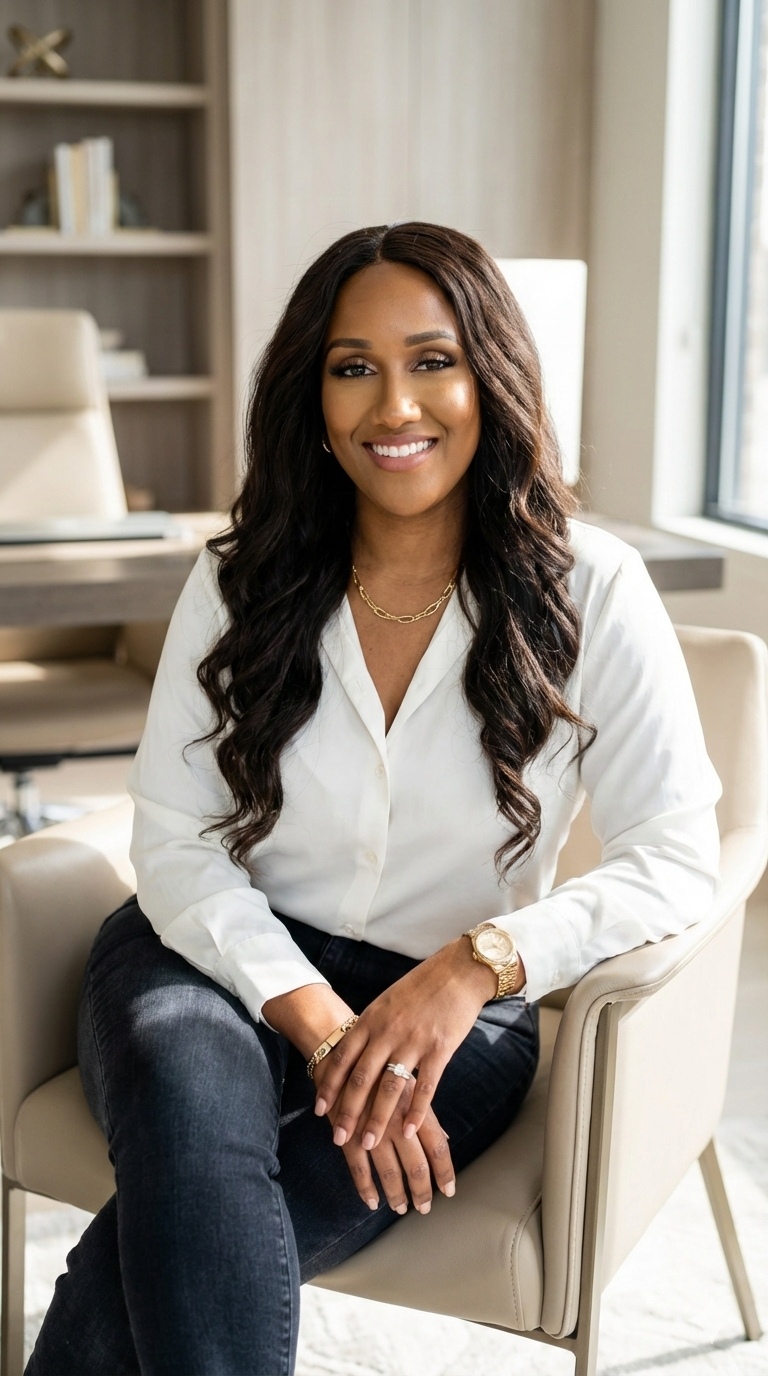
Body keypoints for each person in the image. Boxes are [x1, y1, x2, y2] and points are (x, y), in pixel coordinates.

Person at [27, 223, 721, 1376]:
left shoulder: (592, 586)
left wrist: (472, 964)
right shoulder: (236, 580)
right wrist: (312, 1011)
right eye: (354, 367)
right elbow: (177, 839)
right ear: (315, 396)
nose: (395, 405)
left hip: (455, 1011)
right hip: (209, 958)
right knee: (190, 1104)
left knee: (144, 1258)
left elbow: (677, 855)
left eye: (432, 359)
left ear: (490, 374)